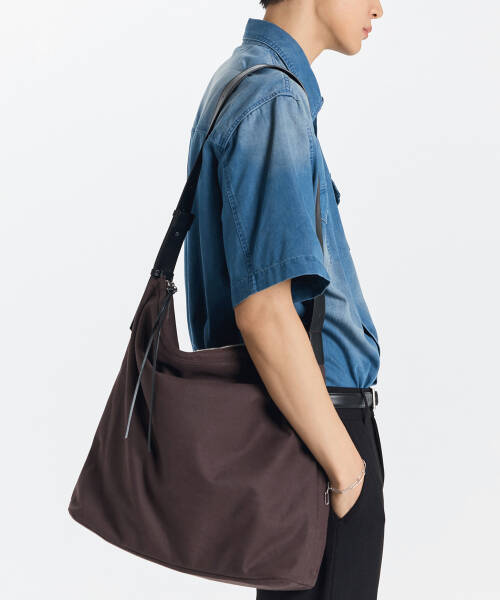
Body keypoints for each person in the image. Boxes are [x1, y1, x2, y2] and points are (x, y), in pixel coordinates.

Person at [184, 1, 385, 598]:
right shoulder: (271, 99)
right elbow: (265, 312)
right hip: (318, 438)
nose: (379, 8)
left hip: (298, 430)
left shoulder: (245, 80)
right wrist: (346, 467)